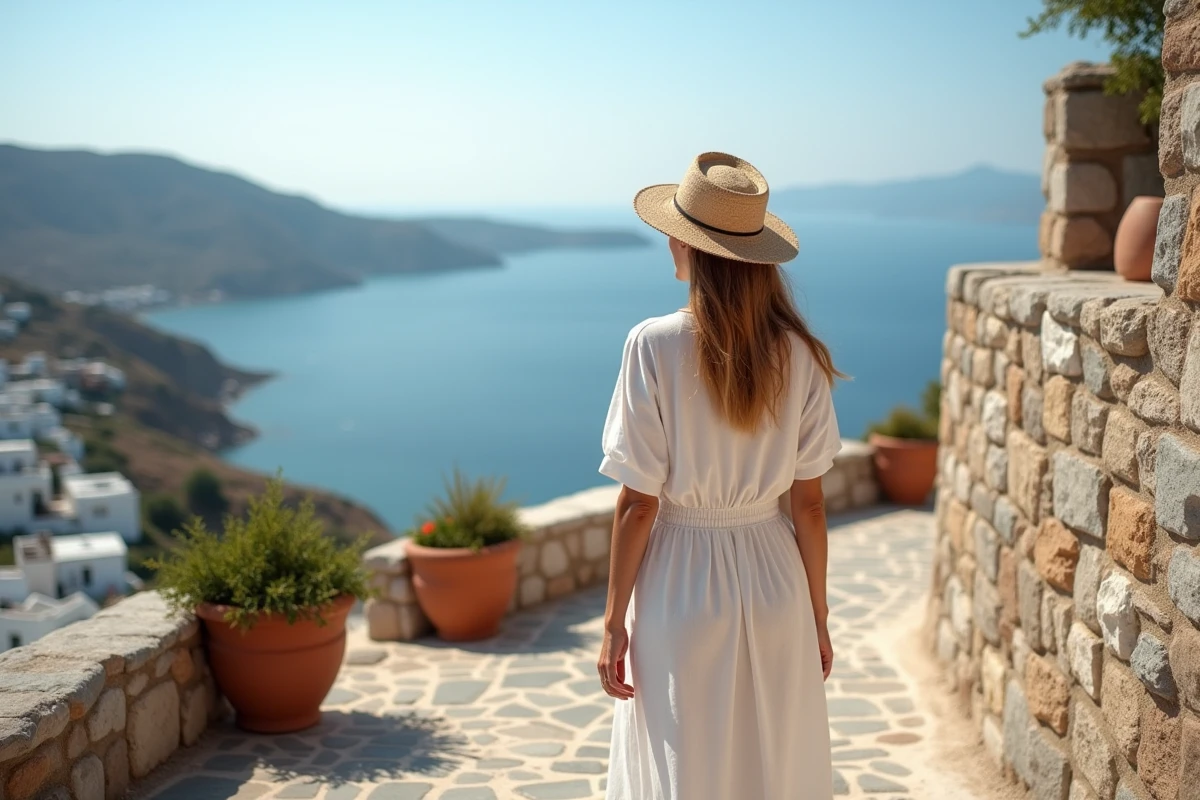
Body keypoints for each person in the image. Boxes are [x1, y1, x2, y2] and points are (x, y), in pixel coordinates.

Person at [596, 152, 844, 799]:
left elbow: (638, 505)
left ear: (689, 246)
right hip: (775, 579)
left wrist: (612, 621)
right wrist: (817, 616)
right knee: (772, 759)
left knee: (687, 764)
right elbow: (810, 507)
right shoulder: (802, 355)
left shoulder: (652, 345)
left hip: (680, 581)